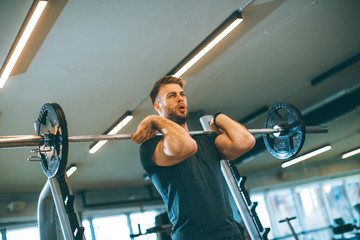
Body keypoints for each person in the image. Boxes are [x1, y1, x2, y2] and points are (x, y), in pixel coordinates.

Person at [131, 76, 255, 240]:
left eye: (182, 94)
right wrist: (153, 119)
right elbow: (185, 146)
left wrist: (218, 118)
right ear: (157, 106)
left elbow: (245, 141)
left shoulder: (207, 140)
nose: (180, 98)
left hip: (231, 232)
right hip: (192, 236)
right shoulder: (151, 147)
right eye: (171, 96)